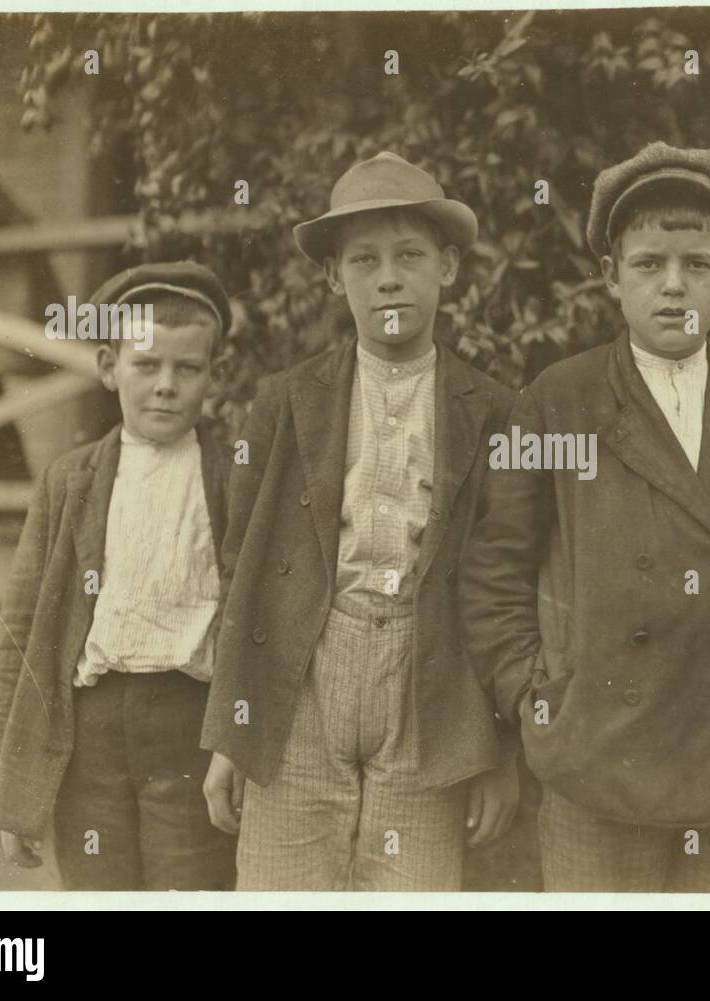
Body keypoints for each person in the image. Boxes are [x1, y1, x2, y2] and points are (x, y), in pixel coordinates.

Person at [459, 142, 710, 891]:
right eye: (649, 264)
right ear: (610, 277)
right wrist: (541, 697)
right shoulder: (559, 401)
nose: (673, 287)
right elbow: (494, 568)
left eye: (697, 264)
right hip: (602, 762)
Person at [201, 152, 520, 890]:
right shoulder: (287, 400)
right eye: (364, 260)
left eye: (409, 256)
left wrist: (495, 751)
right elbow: (241, 569)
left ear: (446, 267)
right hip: (302, 678)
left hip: (428, 684)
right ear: (332, 276)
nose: (387, 278)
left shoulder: (494, 409)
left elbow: (505, 589)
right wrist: (231, 733)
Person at [0, 262, 238, 889]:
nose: (166, 387)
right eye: (146, 366)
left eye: (188, 369)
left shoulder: (235, 473)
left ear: (215, 375)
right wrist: (3, 778)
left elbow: (259, 620)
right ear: (107, 367)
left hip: (190, 729)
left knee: (191, 888)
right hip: (88, 735)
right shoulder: (70, 481)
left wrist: (237, 741)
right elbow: (18, 628)